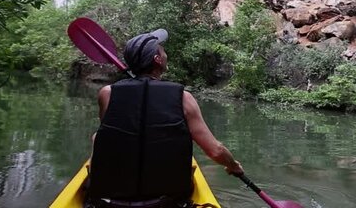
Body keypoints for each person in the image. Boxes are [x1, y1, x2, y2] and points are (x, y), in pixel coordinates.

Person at [87, 29, 244, 208]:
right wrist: (233, 165)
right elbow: (215, 151)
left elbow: (112, 139)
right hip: (168, 202)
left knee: (97, 137)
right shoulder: (183, 98)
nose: (165, 53)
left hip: (110, 202)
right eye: (162, 50)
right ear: (158, 59)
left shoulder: (107, 94)